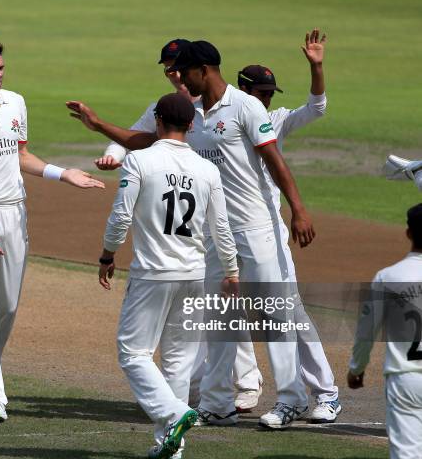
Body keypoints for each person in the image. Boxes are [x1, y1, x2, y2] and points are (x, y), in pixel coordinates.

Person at [67, 40, 315, 429]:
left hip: (256, 226)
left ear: (204, 69)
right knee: (219, 316)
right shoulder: (193, 114)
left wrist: (298, 209)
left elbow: (274, 159)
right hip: (216, 233)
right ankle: (217, 403)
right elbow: (146, 141)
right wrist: (98, 124)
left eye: (183, 71)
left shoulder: (246, 106)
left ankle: (293, 398)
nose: (179, 78)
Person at [0, 39, 104, 423]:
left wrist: (64, 174)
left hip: (14, 213)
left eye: (1, 68)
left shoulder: (16, 102)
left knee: (7, 306)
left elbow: (21, 155)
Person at [209, 28, 341, 424]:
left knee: (286, 310)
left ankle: (325, 393)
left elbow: (316, 107)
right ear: (244, 89)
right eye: (261, 93)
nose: (266, 100)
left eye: (270, 94)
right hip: (233, 232)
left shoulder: (275, 120)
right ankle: (221, 396)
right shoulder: (226, 116)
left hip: (266, 230)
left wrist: (316, 67)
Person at [99, 92, 239, 459]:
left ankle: (175, 415)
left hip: (152, 275)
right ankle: (171, 443)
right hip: (194, 273)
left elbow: (120, 217)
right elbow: (220, 228)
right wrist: (232, 270)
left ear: (158, 121)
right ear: (191, 126)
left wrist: (107, 254)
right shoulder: (208, 170)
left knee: (133, 353)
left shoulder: (140, 161)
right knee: (177, 361)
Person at [348, 203, 422, 459]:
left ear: (408, 233)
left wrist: (356, 369)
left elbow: (366, 332)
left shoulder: (388, 276)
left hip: (405, 379)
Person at [97, 38, 198, 171]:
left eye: (182, 68)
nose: (178, 76)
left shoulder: (219, 104)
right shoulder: (162, 109)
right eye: (170, 71)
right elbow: (126, 139)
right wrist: (111, 156)